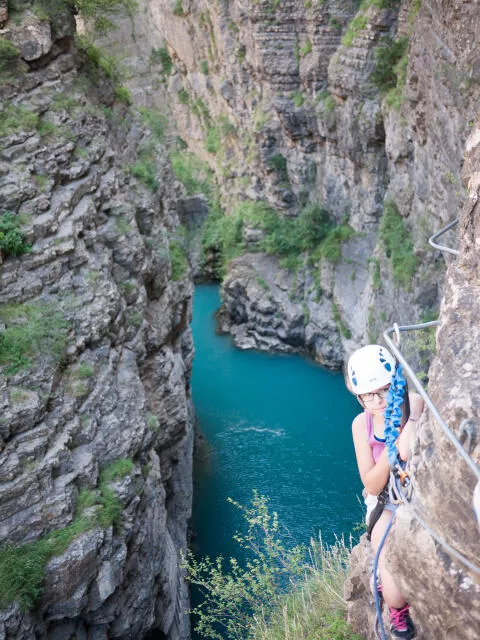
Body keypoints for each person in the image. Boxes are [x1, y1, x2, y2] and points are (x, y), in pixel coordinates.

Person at [346, 344, 423, 640]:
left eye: (383, 391)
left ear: (396, 385)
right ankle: (396, 609)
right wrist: (392, 448)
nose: (377, 401)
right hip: (384, 502)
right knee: (392, 583)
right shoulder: (361, 424)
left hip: (413, 495)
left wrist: (409, 423)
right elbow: (371, 484)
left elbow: (416, 407)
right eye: (368, 395)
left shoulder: (411, 405)